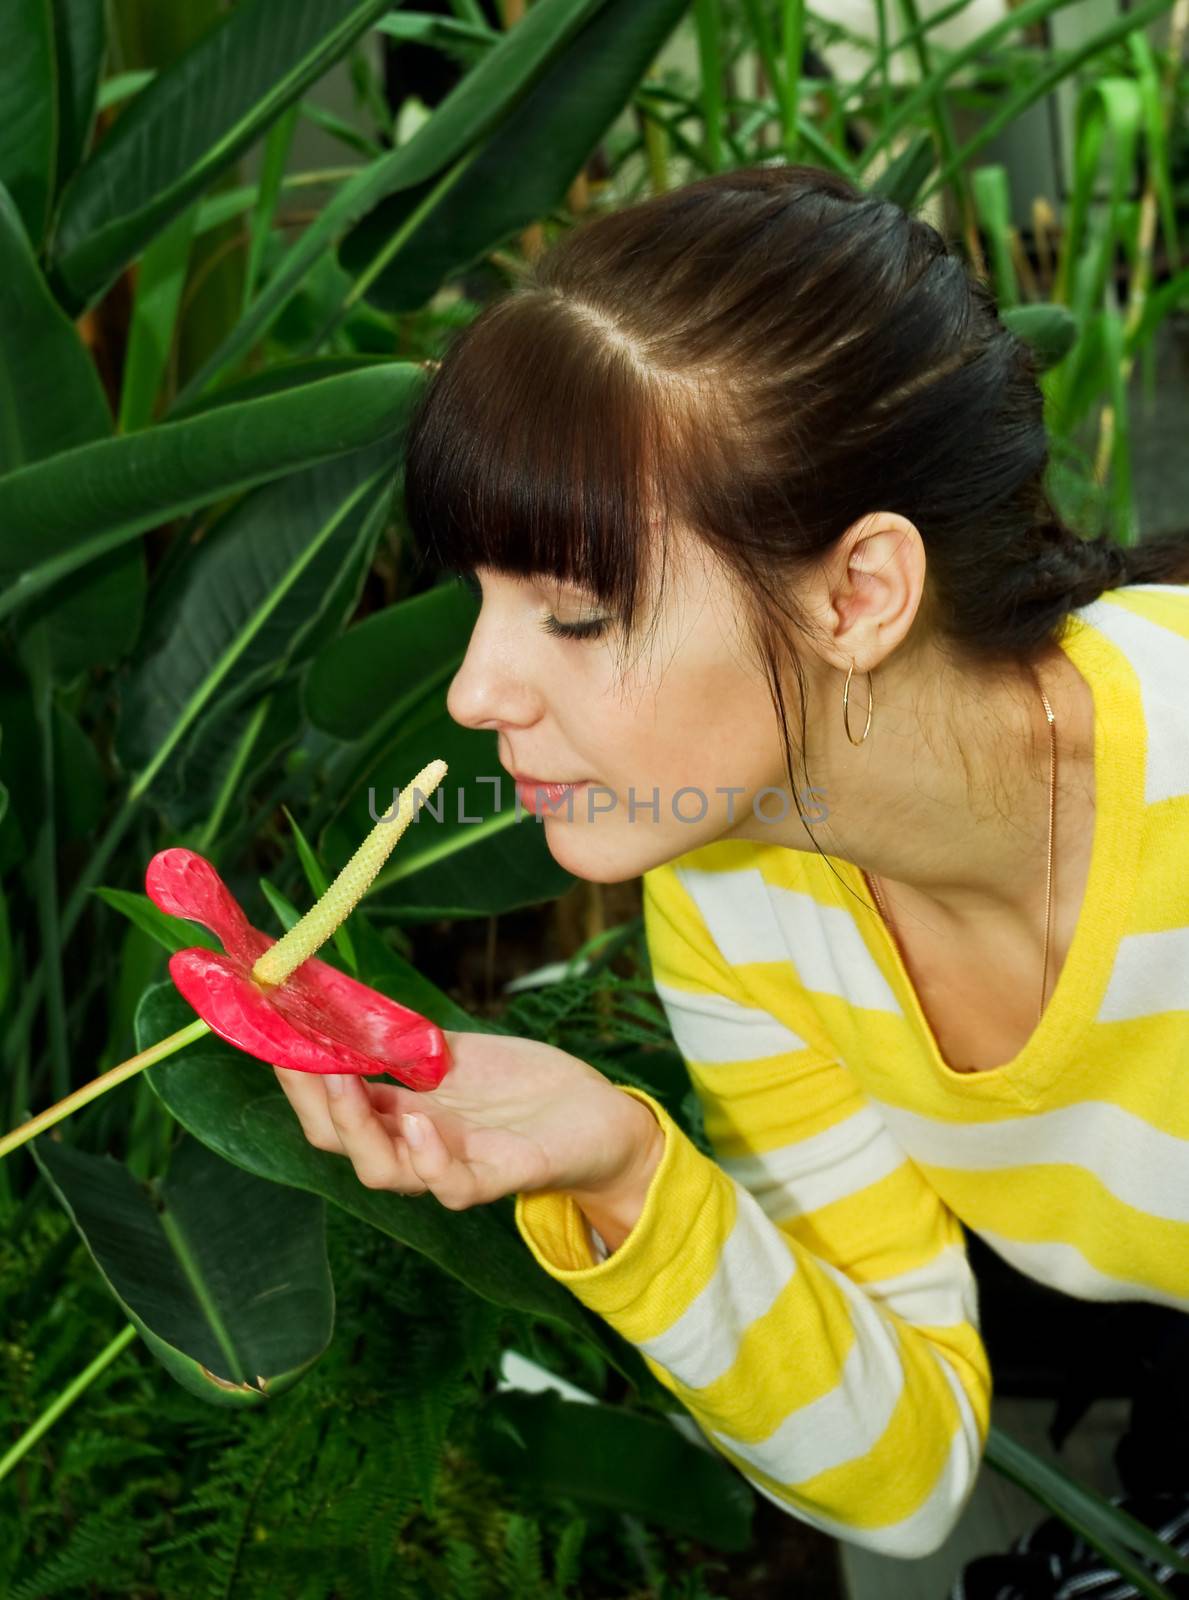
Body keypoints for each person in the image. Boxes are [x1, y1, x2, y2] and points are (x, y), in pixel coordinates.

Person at [272, 164, 1189, 1562]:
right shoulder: (734, 899)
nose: (472, 692)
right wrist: (626, 1172)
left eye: (576, 614)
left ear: (858, 593)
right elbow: (905, 1472)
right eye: (484, 598)